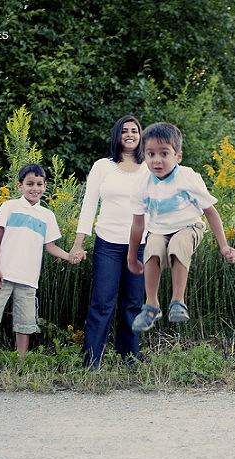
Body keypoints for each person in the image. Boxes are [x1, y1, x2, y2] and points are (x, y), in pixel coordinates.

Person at [0, 164, 77, 374]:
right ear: (20, 185)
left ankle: (20, 363)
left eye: (40, 184)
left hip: (28, 278)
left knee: (25, 323)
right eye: (30, 184)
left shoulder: (46, 215)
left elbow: (49, 246)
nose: (35, 188)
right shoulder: (9, 206)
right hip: (2, 275)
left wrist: (69, 257)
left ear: (45, 186)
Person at [127, 122, 235, 332]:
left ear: (178, 156)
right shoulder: (142, 183)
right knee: (152, 250)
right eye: (150, 154)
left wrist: (224, 246)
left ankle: (178, 301)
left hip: (189, 226)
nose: (157, 160)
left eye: (164, 153)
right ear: (144, 156)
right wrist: (132, 257)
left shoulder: (188, 177)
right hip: (159, 230)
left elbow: (211, 213)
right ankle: (151, 306)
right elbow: (137, 225)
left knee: (177, 245)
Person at [68, 115, 149, 368]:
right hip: (107, 245)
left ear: (141, 136)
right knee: (103, 302)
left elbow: (159, 205)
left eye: (134, 131)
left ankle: (129, 360)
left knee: (133, 304)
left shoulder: (149, 166)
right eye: (124, 131)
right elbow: (89, 205)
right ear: (117, 135)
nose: (130, 135)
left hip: (140, 246)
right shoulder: (102, 166)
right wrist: (78, 243)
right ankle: (92, 362)